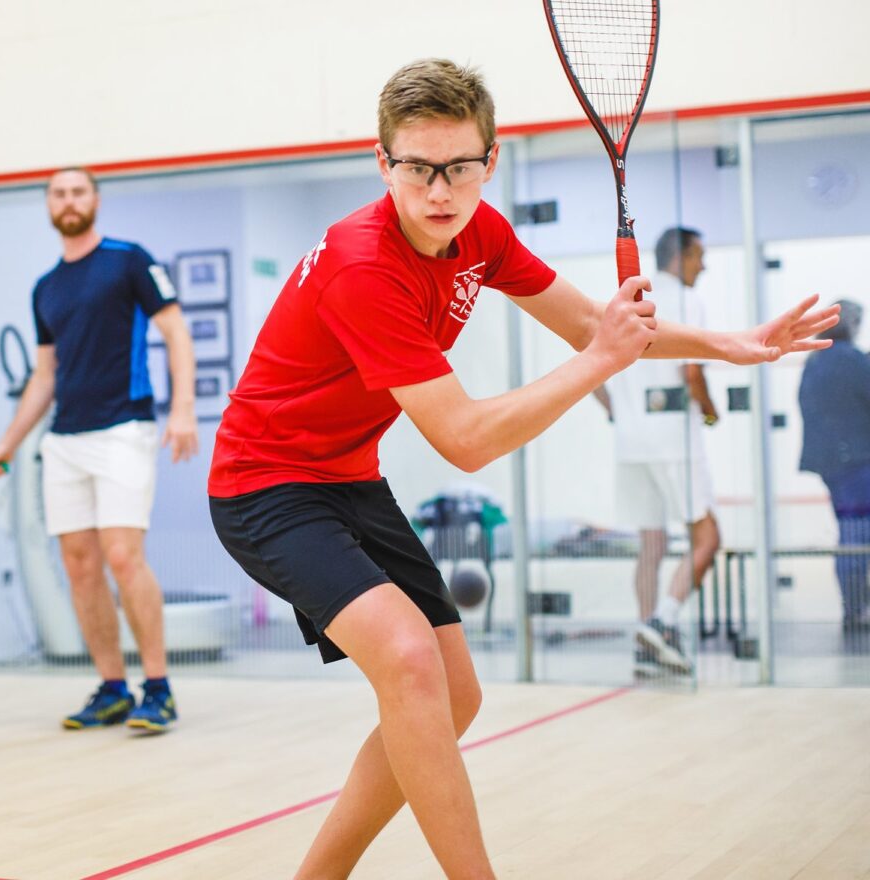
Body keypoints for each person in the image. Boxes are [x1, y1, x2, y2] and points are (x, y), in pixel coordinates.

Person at [207, 58, 836, 879]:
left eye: (459, 168)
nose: (439, 190)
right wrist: (604, 361)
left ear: (489, 162)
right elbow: (465, 437)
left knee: (453, 695)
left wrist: (730, 344)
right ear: (383, 163)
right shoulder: (365, 265)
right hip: (264, 486)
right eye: (418, 168)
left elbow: (588, 323)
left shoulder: (483, 233)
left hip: (349, 477)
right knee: (406, 660)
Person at [0, 167, 199, 733]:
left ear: (95, 201)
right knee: (79, 567)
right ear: (49, 206)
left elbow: (176, 331)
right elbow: (43, 376)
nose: (69, 200)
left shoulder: (129, 260)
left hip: (124, 428)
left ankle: (158, 688)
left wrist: (181, 410)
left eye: (78, 191)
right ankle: (111, 688)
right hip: (64, 439)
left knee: (124, 557)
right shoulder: (45, 288)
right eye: (58, 193)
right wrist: (6, 444)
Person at [593, 227, 722, 678]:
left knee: (652, 543)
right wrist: (709, 413)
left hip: (631, 444)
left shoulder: (626, 301)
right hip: (675, 442)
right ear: (681, 255)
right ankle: (662, 623)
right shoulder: (688, 300)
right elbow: (692, 374)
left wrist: (621, 415)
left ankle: (644, 644)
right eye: (699, 256)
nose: (703, 266)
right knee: (708, 538)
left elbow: (592, 372)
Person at [799, 299, 870, 630]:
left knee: (849, 533)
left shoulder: (813, 363)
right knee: (856, 535)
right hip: (856, 463)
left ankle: (853, 608)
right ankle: (857, 611)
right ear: (851, 325)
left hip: (833, 466)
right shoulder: (855, 362)